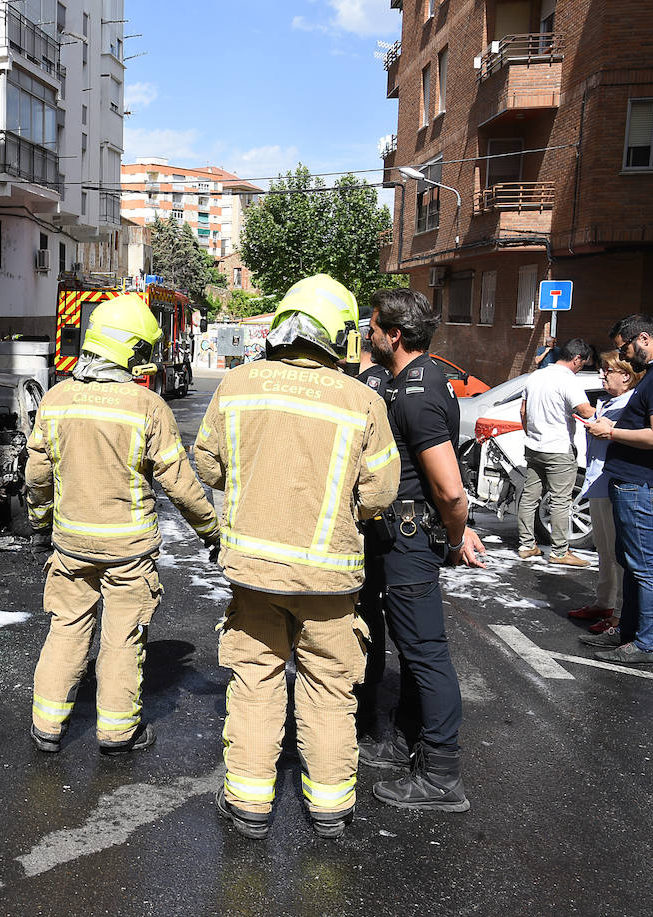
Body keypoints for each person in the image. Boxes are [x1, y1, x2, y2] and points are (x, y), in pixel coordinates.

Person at [193, 275, 400, 840]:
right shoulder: (363, 400)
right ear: (338, 336)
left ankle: (250, 804)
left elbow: (208, 466)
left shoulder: (236, 385)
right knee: (330, 690)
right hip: (330, 579)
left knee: (255, 683)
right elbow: (380, 494)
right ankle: (330, 807)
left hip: (254, 573)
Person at [26, 293, 221, 758]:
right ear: (131, 349)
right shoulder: (146, 406)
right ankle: (116, 734)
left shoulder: (56, 399)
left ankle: (47, 726)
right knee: (122, 639)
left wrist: (40, 519)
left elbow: (37, 475)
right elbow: (179, 484)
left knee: (66, 629)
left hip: (71, 544)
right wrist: (212, 530)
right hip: (128, 553)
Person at [359, 287, 485, 813]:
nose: (368, 334)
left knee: (426, 652)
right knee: (413, 651)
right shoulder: (408, 381)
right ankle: (403, 741)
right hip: (399, 537)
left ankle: (441, 773)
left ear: (394, 334)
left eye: (373, 326)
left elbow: (449, 488)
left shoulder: (419, 389)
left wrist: (457, 535)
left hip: (411, 540)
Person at [582, 314, 653, 666]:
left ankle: (649, 644)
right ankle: (631, 631)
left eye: (627, 348)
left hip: (643, 486)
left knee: (648, 567)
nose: (626, 358)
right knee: (635, 565)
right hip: (635, 485)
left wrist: (611, 432)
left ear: (644, 338)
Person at [568, 352, 643, 635]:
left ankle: (621, 615)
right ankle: (604, 603)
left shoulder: (631, 404)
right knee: (603, 548)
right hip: (598, 481)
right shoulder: (609, 402)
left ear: (625, 375)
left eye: (607, 370)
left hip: (616, 484)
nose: (602, 374)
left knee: (619, 554)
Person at [514, 338, 597, 564]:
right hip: (558, 448)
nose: (581, 368)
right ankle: (560, 552)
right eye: (583, 364)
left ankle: (526, 545)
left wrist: (532, 434)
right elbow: (584, 410)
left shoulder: (536, 376)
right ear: (576, 358)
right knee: (561, 500)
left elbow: (523, 411)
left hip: (534, 446)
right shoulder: (567, 380)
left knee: (530, 498)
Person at [354, 330, 391, 742]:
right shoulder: (385, 389)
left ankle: (364, 706)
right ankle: (370, 704)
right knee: (374, 613)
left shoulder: (364, 390)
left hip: (367, 527)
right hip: (383, 521)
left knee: (364, 613)